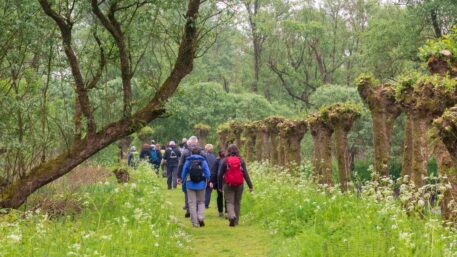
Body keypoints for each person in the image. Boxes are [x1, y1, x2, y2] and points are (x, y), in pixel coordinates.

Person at [218, 144, 253, 227]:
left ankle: (232, 216)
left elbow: (220, 175)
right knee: (237, 202)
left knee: (229, 202)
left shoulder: (225, 160)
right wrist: (250, 185)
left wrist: (219, 186)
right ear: (237, 151)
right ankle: (236, 221)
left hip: (228, 184)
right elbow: (245, 174)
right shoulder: (241, 161)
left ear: (228, 151)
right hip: (239, 184)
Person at [181, 147, 212, 227]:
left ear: (192, 153)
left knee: (192, 204)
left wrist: (182, 179)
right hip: (201, 184)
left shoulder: (188, 161)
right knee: (201, 202)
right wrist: (208, 180)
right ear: (200, 153)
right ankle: (200, 218)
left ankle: (195, 223)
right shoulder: (203, 161)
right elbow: (208, 173)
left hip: (190, 184)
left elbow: (184, 172)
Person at [178, 136, 206, 218]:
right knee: (198, 192)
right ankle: (196, 210)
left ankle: (188, 209)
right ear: (196, 142)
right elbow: (205, 164)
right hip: (200, 175)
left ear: (189, 142)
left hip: (188, 175)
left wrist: (179, 176)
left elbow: (180, 164)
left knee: (187, 192)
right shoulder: (202, 152)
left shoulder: (185, 151)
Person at [210, 149, 227, 217]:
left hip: (218, 180)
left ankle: (220, 211)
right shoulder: (228, 160)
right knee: (227, 196)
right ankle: (227, 212)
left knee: (219, 196)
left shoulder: (217, 160)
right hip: (226, 180)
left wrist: (212, 181)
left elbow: (214, 172)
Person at [203, 144, 217, 208]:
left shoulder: (204, 156)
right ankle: (206, 204)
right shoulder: (214, 156)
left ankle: (202, 203)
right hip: (212, 174)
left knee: (204, 189)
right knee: (209, 190)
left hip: (205, 174)